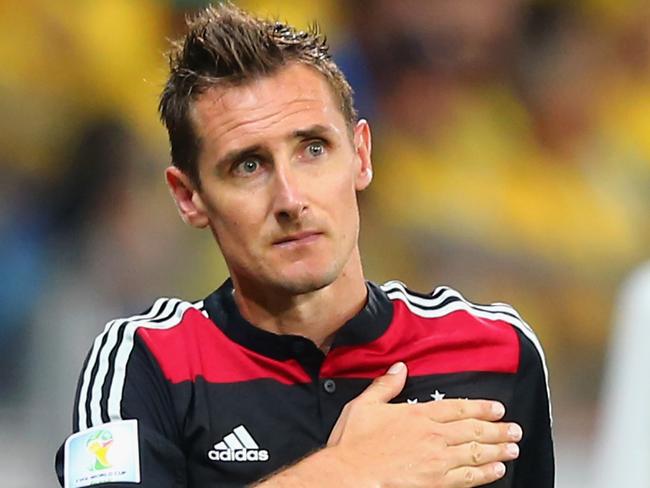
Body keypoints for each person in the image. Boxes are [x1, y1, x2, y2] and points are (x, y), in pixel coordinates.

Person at [55, 4, 553, 487]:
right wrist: (348, 471)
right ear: (189, 197)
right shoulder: (147, 362)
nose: (291, 199)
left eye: (313, 149)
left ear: (360, 155)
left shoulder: (497, 351)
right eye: (248, 165)